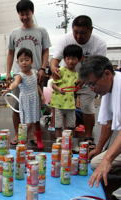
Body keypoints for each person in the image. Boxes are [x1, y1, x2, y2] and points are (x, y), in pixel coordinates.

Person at [50, 15, 107, 144]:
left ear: (91, 30)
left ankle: (88, 136)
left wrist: (84, 78)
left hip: (88, 79)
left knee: (87, 106)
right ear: (72, 29)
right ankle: (62, 138)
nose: (79, 36)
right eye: (76, 32)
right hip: (66, 79)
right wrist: (54, 68)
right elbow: (55, 59)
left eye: (83, 33)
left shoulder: (100, 43)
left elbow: (99, 66)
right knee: (63, 108)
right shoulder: (65, 39)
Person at [6, 0, 51, 147]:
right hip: (19, 75)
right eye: (21, 14)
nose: (24, 17)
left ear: (32, 12)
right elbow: (10, 54)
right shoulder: (14, 33)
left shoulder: (41, 31)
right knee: (18, 107)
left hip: (36, 74)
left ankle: (33, 135)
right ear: (18, 14)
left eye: (27, 13)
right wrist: (8, 73)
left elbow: (46, 51)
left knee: (36, 109)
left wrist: (43, 68)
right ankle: (19, 135)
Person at [79, 56, 121, 196]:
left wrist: (108, 159)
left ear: (107, 74)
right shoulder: (108, 91)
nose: (92, 89)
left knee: (116, 195)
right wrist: (98, 149)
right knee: (96, 163)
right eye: (88, 85)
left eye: (93, 84)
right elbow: (107, 124)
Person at [3, 48, 45, 149]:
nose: (24, 63)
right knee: (27, 123)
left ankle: (39, 139)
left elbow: (36, 85)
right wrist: (10, 88)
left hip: (34, 100)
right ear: (18, 62)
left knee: (37, 121)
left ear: (32, 61)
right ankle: (22, 141)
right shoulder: (19, 75)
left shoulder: (35, 72)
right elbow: (15, 83)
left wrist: (41, 95)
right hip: (25, 101)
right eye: (21, 60)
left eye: (27, 60)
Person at [50, 44, 83, 138]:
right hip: (58, 103)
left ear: (79, 59)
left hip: (70, 104)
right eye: (68, 58)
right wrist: (59, 89)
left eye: (74, 58)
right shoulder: (60, 71)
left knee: (71, 125)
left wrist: (77, 88)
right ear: (64, 59)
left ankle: (69, 143)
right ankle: (59, 143)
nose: (70, 61)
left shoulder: (77, 75)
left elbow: (76, 89)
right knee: (58, 125)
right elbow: (53, 84)